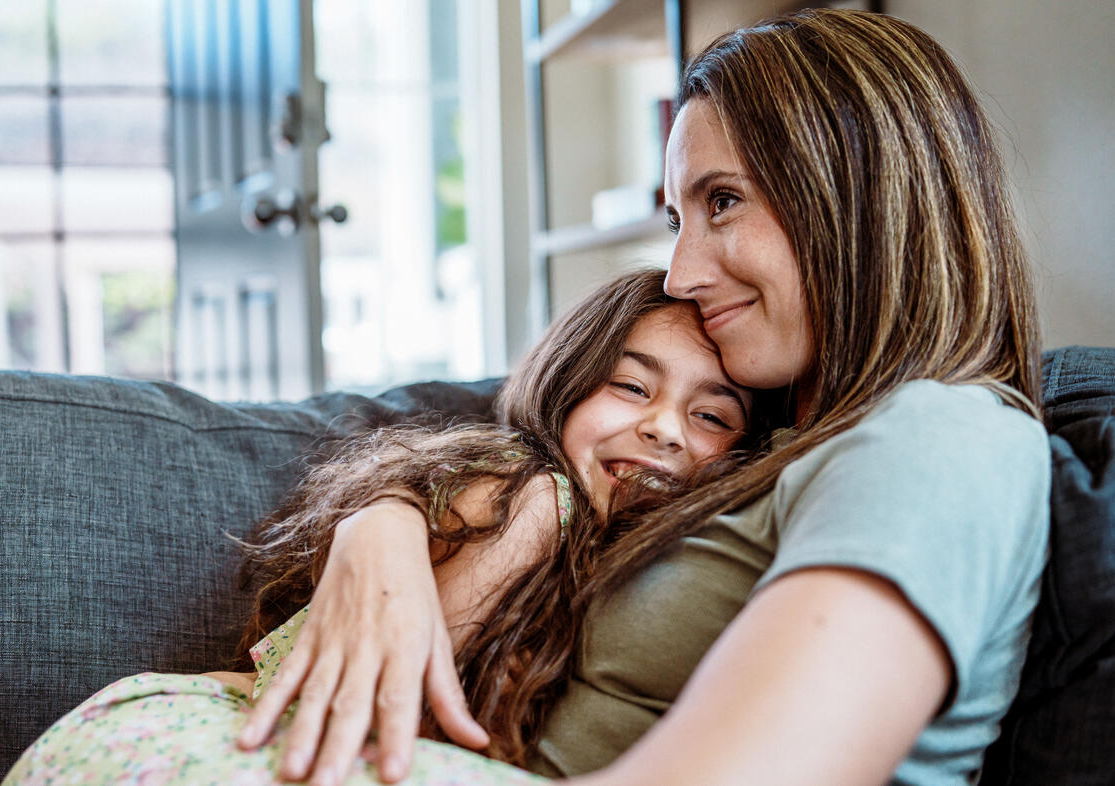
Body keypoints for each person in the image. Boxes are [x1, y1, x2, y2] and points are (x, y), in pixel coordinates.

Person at [237, 8, 1050, 786]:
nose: (681, 276)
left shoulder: (938, 442)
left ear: (861, 196)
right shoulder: (772, 439)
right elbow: (536, 445)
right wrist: (383, 521)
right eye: (678, 219)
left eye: (723, 201)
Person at [1, 269, 758, 785]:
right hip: (185, 751)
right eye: (631, 386)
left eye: (711, 416)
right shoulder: (535, 499)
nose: (664, 428)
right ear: (563, 385)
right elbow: (412, 723)